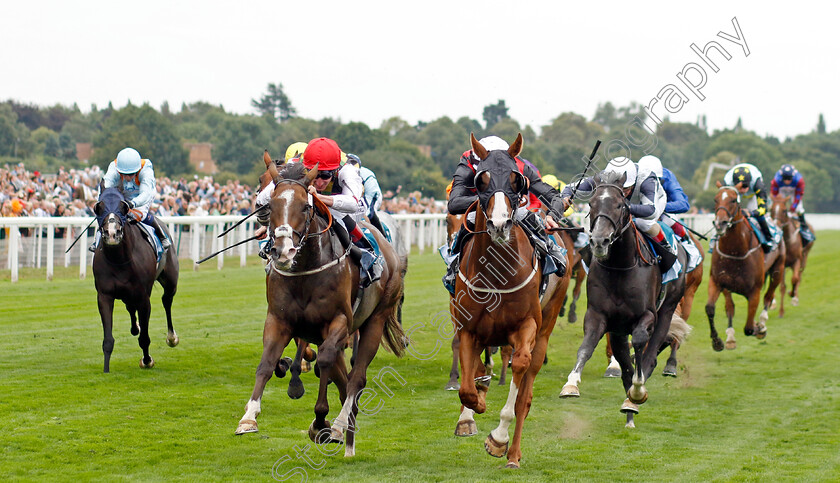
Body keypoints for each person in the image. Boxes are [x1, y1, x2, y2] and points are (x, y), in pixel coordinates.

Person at [443, 135, 567, 293]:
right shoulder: (469, 161)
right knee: (470, 220)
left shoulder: (518, 164)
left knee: (529, 216)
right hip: (482, 211)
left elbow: (554, 197)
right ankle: (453, 267)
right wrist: (493, 200)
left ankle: (551, 251)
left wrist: (552, 216)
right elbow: (454, 203)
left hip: (512, 210)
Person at [256, 137, 381, 287]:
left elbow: (352, 204)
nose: (320, 181)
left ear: (335, 170)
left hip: (351, 201)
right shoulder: (296, 164)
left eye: (326, 176)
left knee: (335, 214)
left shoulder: (347, 170)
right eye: (316, 174)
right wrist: (268, 220)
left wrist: (318, 196)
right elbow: (263, 198)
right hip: (315, 198)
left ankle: (367, 253)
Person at [559, 157, 677, 271]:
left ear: (634, 181)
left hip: (653, 202)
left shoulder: (646, 180)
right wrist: (566, 197)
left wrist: (625, 208)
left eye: (626, 189)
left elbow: (651, 210)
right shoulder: (603, 178)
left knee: (643, 223)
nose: (623, 193)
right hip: (620, 205)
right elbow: (569, 188)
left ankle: (664, 247)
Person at [90, 147, 171, 252]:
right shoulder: (114, 168)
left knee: (139, 215)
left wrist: (133, 203)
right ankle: (98, 239)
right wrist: (102, 203)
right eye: (124, 174)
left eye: (131, 174)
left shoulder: (145, 170)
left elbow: (145, 193)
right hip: (123, 193)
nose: (128, 178)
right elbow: (104, 188)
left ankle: (162, 236)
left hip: (143, 194)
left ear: (137, 170)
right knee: (108, 213)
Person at [723, 163, 774, 252]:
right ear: (734, 183)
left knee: (758, 215)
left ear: (750, 183)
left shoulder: (758, 184)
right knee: (725, 213)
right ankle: (715, 238)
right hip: (733, 192)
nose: (742, 190)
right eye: (740, 186)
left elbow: (763, 209)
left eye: (745, 186)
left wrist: (750, 213)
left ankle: (768, 238)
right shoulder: (727, 182)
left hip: (753, 194)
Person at [637, 155, 690, 239]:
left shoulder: (668, 178)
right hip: (642, 212)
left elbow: (684, 204)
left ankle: (688, 244)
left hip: (664, 213)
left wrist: (657, 206)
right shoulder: (634, 177)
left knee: (670, 220)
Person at [345, 153, 387, 236]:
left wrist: (363, 215)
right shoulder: (341, 173)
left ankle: (383, 238)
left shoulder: (368, 177)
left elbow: (369, 200)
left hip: (371, 197)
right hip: (355, 197)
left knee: (369, 213)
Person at [771, 163, 813, 243]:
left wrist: (793, 207)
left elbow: (798, 195)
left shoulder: (799, 180)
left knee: (799, 209)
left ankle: (805, 229)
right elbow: (775, 195)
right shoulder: (776, 180)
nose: (787, 181)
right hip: (781, 190)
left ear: (793, 177)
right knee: (777, 208)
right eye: (785, 178)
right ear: (782, 177)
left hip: (794, 191)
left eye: (789, 178)